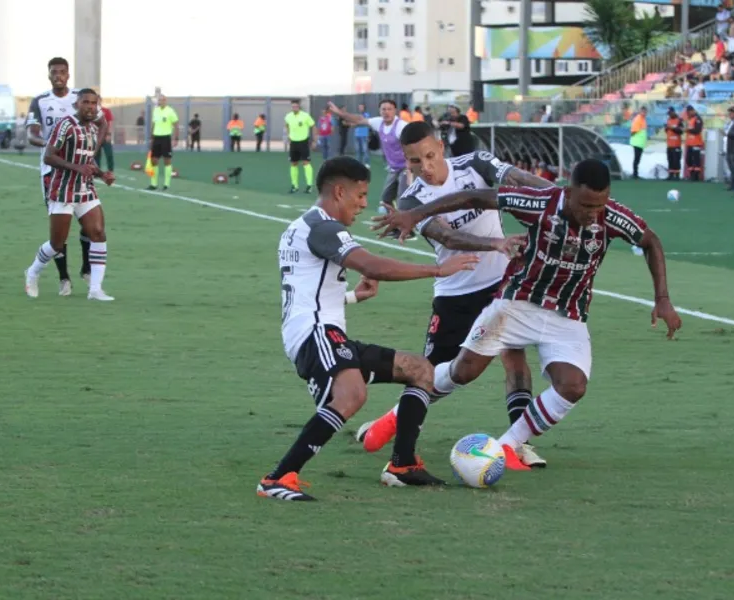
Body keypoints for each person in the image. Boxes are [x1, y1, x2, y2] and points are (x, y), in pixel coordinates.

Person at [372, 159, 682, 471]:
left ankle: (507, 444)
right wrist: (416, 213)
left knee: (573, 386)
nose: (592, 213)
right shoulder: (540, 203)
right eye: (586, 204)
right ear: (569, 191)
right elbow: (476, 198)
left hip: (568, 315)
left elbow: (650, 240)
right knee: (462, 372)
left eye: (599, 205)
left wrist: (663, 299)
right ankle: (396, 416)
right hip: (517, 305)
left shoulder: (611, 216)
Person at [259, 156, 480, 501]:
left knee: (421, 370)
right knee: (352, 395)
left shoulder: (301, 227)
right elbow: (371, 264)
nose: (364, 204)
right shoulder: (324, 227)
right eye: (360, 195)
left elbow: (303, 292)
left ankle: (402, 466)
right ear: (339, 191)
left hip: (317, 329)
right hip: (317, 332)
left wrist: (351, 298)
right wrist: (438, 270)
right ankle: (278, 478)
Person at [354, 121, 556, 468]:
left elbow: (516, 178)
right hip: (455, 294)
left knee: (514, 357)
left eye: (430, 156)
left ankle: (517, 444)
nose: (425, 167)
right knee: (432, 372)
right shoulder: (411, 199)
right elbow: (447, 238)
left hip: (501, 284)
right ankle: (391, 421)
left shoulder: (475, 164)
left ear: (442, 148)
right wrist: (495, 243)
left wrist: (559, 195)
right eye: (415, 161)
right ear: (406, 161)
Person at [26, 56, 109, 297]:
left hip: (82, 172)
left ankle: (93, 282)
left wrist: (94, 157)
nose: (58, 75)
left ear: (68, 74)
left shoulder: (83, 99)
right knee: (58, 240)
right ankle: (59, 277)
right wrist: (54, 143)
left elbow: (102, 125)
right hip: (55, 174)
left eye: (62, 71)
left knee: (96, 230)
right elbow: (34, 136)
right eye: (54, 72)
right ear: (49, 74)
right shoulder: (42, 102)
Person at [327, 99, 409, 211]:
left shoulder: (401, 127)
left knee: (403, 199)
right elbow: (359, 119)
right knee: (385, 203)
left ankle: (408, 224)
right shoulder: (379, 122)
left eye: (389, 109)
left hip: (407, 167)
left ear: (395, 111)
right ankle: (395, 225)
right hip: (394, 168)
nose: (386, 112)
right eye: (383, 109)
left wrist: (411, 169)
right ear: (379, 111)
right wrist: (340, 113)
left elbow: (414, 146)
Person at [284, 99, 316, 194]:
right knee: (293, 163)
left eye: (296, 106)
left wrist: (315, 140)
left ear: (299, 107)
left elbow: (313, 126)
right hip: (293, 142)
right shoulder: (288, 116)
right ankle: (294, 186)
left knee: (306, 163)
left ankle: (309, 185)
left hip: (303, 142)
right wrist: (288, 135)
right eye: (293, 106)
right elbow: (286, 125)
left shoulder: (305, 116)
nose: (294, 108)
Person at [148, 95, 178, 190]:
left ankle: (166, 184)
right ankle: (154, 184)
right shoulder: (156, 110)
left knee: (167, 160)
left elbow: (176, 124)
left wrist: (176, 138)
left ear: (165, 101)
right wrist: (151, 137)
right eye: (159, 100)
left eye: (161, 100)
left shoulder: (170, 111)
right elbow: (153, 124)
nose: (160, 102)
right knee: (154, 160)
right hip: (156, 137)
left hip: (166, 137)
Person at [684, 105, 704, 181]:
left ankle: (696, 176)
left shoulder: (698, 119)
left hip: (696, 142)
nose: (687, 114)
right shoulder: (689, 119)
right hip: (689, 143)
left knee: (696, 159)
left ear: (692, 111)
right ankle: (692, 173)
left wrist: (687, 130)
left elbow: (697, 130)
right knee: (688, 159)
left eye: (688, 112)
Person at [96, 97, 114, 172]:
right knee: (96, 155)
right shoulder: (92, 111)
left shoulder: (106, 111)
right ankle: (97, 171)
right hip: (96, 137)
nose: (98, 102)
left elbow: (110, 123)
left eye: (99, 100)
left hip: (105, 136)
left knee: (109, 154)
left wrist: (108, 134)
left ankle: (110, 170)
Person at [664, 107, 683, 180]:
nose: (669, 115)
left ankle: (677, 175)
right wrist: (666, 128)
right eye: (668, 114)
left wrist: (672, 128)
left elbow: (681, 131)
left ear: (673, 112)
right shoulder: (668, 120)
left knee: (676, 160)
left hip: (676, 144)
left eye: (670, 113)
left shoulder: (679, 120)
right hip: (669, 144)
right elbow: (667, 130)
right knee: (670, 159)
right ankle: (670, 174)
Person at [629, 106, 648, 179]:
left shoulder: (643, 119)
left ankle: (635, 173)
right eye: (643, 111)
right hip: (637, 142)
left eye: (645, 112)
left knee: (638, 158)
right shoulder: (638, 119)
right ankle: (635, 173)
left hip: (640, 142)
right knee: (637, 158)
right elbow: (633, 131)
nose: (644, 113)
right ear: (640, 111)